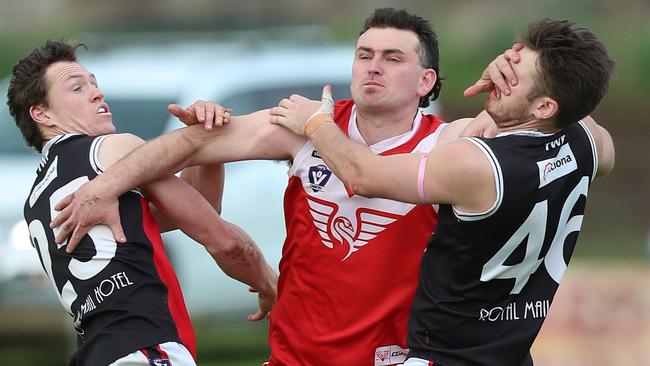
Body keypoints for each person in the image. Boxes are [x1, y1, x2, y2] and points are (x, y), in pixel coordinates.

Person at [49, 9, 516, 366]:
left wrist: (513, 82)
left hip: (393, 355)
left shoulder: (449, 141)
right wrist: (106, 185)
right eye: (364, 55)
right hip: (294, 355)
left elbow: (558, 128)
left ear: (425, 81)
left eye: (392, 59)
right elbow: (191, 145)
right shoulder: (302, 124)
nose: (373, 67)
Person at [269, 19, 616, 365]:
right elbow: (578, 116)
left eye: (512, 77)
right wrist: (514, 103)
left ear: (543, 107)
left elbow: (361, 175)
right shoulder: (588, 143)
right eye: (506, 65)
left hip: (445, 355)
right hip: (511, 355)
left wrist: (316, 123)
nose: (498, 77)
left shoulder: (477, 165)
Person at [6, 40, 277, 365]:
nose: (97, 93)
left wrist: (205, 146)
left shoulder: (36, 199)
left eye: (94, 83)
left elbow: (194, 209)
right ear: (42, 113)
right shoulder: (109, 150)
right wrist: (270, 285)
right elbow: (225, 242)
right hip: (143, 348)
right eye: (78, 88)